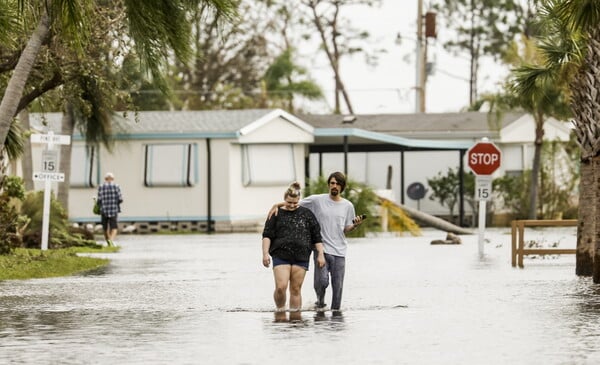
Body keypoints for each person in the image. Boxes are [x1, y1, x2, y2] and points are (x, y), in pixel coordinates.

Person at [268, 172, 364, 312]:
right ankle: (320, 303)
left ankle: (336, 314)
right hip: (321, 249)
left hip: (340, 250)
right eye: (332, 183)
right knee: (322, 282)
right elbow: (294, 203)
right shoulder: (317, 200)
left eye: (337, 184)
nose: (334, 186)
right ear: (328, 184)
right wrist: (277, 204)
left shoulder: (348, 206)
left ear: (342, 187)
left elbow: (346, 228)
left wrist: (355, 225)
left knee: (338, 286)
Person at [262, 182, 326, 315]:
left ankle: (295, 319)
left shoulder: (307, 214)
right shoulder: (276, 213)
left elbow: (317, 237)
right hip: (280, 254)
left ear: (299, 200)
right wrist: (265, 254)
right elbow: (267, 235)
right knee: (281, 287)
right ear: (284, 199)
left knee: (295, 289)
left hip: (301, 256)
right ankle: (280, 312)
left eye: (295, 203)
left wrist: (321, 254)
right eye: (289, 202)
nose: (291, 205)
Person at [97, 172, 123, 247]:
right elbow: (120, 199)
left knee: (105, 227)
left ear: (105, 179)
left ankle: (108, 242)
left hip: (104, 210)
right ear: (113, 179)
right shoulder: (116, 186)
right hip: (113, 210)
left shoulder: (101, 187)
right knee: (114, 227)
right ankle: (111, 241)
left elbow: (99, 199)